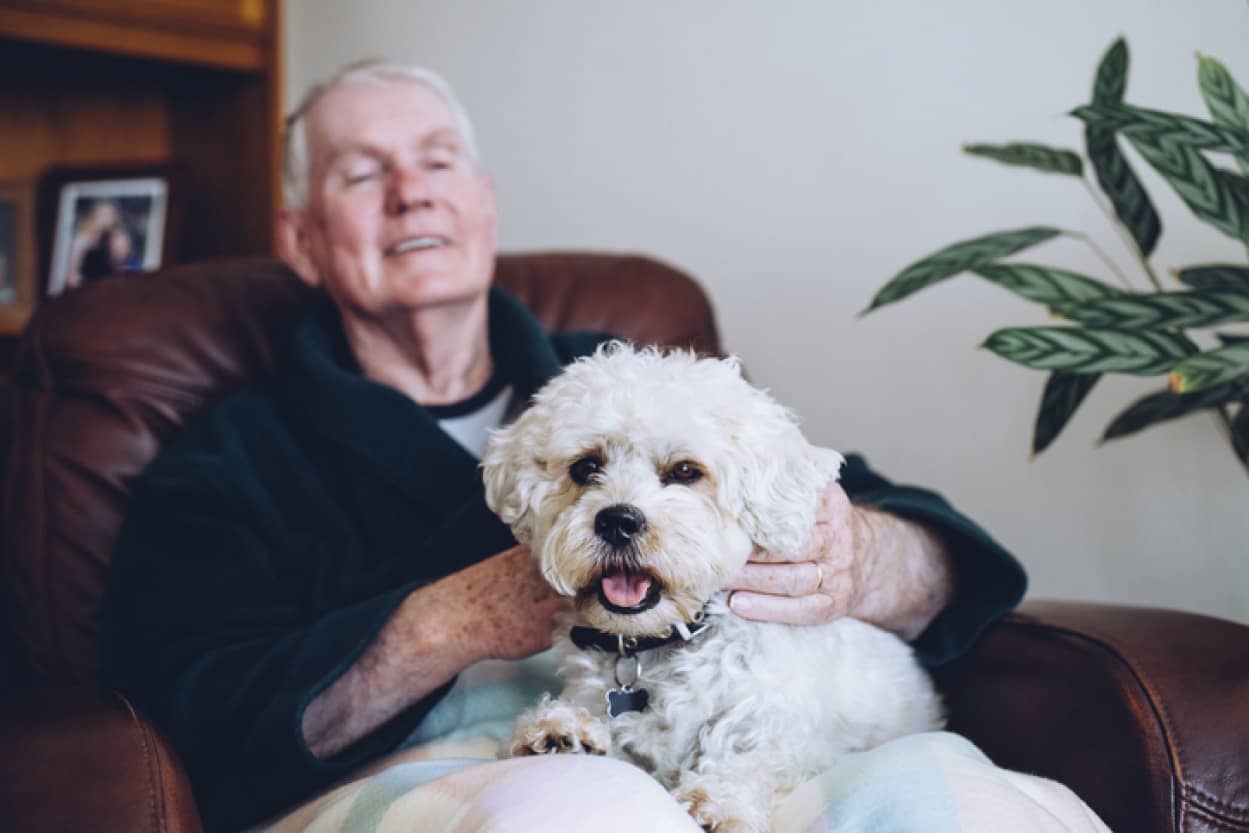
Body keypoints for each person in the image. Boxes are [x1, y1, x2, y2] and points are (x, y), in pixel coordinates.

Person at [102, 62, 1103, 833]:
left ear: (485, 202)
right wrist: (450, 619)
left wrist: (862, 556)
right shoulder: (229, 458)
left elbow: (906, 535)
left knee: (948, 795)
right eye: (364, 175)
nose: (412, 193)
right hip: (448, 768)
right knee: (584, 806)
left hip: (742, 734)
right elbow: (192, 716)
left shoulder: (632, 375)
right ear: (303, 238)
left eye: (438, 161)